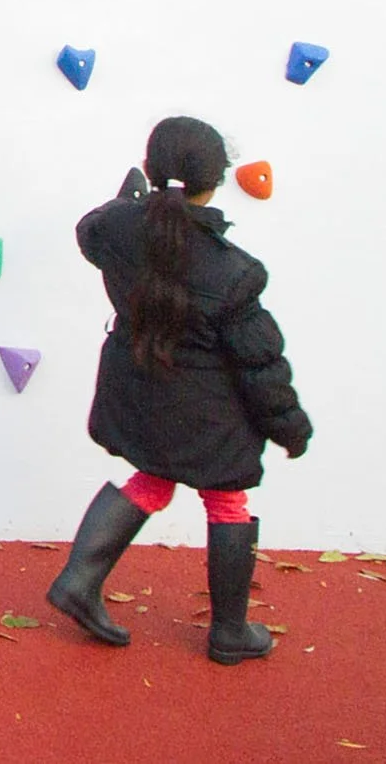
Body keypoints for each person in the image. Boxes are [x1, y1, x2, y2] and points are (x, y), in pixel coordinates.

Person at [46, 116, 311, 664]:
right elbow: (261, 362)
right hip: (206, 413)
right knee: (227, 501)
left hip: (139, 392)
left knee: (153, 479)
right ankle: (230, 632)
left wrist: (126, 202)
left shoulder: (118, 230)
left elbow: (91, 231)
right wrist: (290, 426)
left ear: (149, 169)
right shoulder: (233, 272)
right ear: (217, 181)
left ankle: (80, 579)